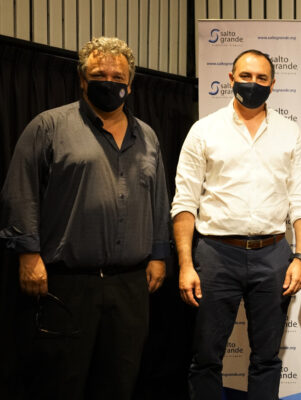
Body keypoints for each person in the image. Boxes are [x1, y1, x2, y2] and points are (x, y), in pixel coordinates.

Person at [0, 37, 168, 399]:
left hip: (131, 286)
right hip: (68, 283)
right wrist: (27, 254)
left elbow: (158, 198)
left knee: (119, 383)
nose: (109, 81)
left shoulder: (147, 136)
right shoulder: (49, 126)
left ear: (130, 83)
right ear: (81, 79)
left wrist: (158, 254)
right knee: (62, 382)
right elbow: (20, 191)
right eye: (98, 74)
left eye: (117, 76)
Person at [171, 49, 301, 400]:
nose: (253, 83)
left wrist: (300, 257)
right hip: (216, 255)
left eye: (262, 78)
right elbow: (185, 202)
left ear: (273, 84)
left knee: (267, 358)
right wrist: (186, 264)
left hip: (273, 255)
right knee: (206, 357)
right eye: (246, 76)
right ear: (231, 78)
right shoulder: (204, 131)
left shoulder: (290, 132)